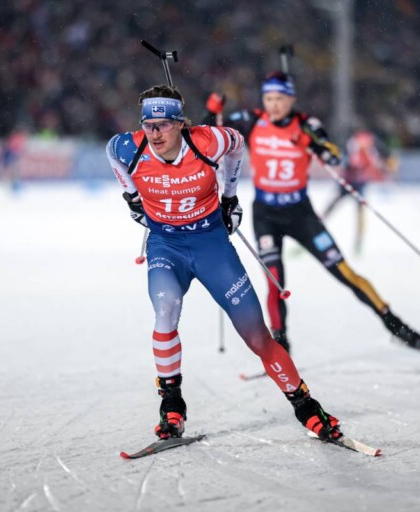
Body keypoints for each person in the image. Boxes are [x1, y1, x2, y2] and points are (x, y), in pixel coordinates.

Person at [106, 84, 344, 443]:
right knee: (165, 312)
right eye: (148, 125)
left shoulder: (208, 141)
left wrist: (229, 197)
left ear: (180, 123)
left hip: (211, 245)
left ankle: (306, 406)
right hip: (166, 246)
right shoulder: (128, 147)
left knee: (257, 336)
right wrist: (132, 197)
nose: (154, 133)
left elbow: (237, 144)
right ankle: (172, 405)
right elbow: (111, 153)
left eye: (163, 125)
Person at [204, 71, 420, 354]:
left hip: (301, 214)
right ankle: (281, 345)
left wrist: (318, 147)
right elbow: (209, 135)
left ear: (291, 99)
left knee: (344, 271)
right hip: (266, 216)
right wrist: (213, 110)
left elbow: (332, 152)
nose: (274, 105)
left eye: (280, 99)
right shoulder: (253, 120)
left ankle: (394, 323)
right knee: (274, 282)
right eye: (269, 98)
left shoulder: (307, 124)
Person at [322, 129, 397, 254]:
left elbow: (345, 160)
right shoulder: (368, 141)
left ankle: (357, 243)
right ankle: (358, 243)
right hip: (354, 181)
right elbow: (387, 157)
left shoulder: (357, 140)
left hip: (353, 181)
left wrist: (385, 167)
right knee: (353, 210)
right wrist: (387, 168)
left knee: (341, 208)